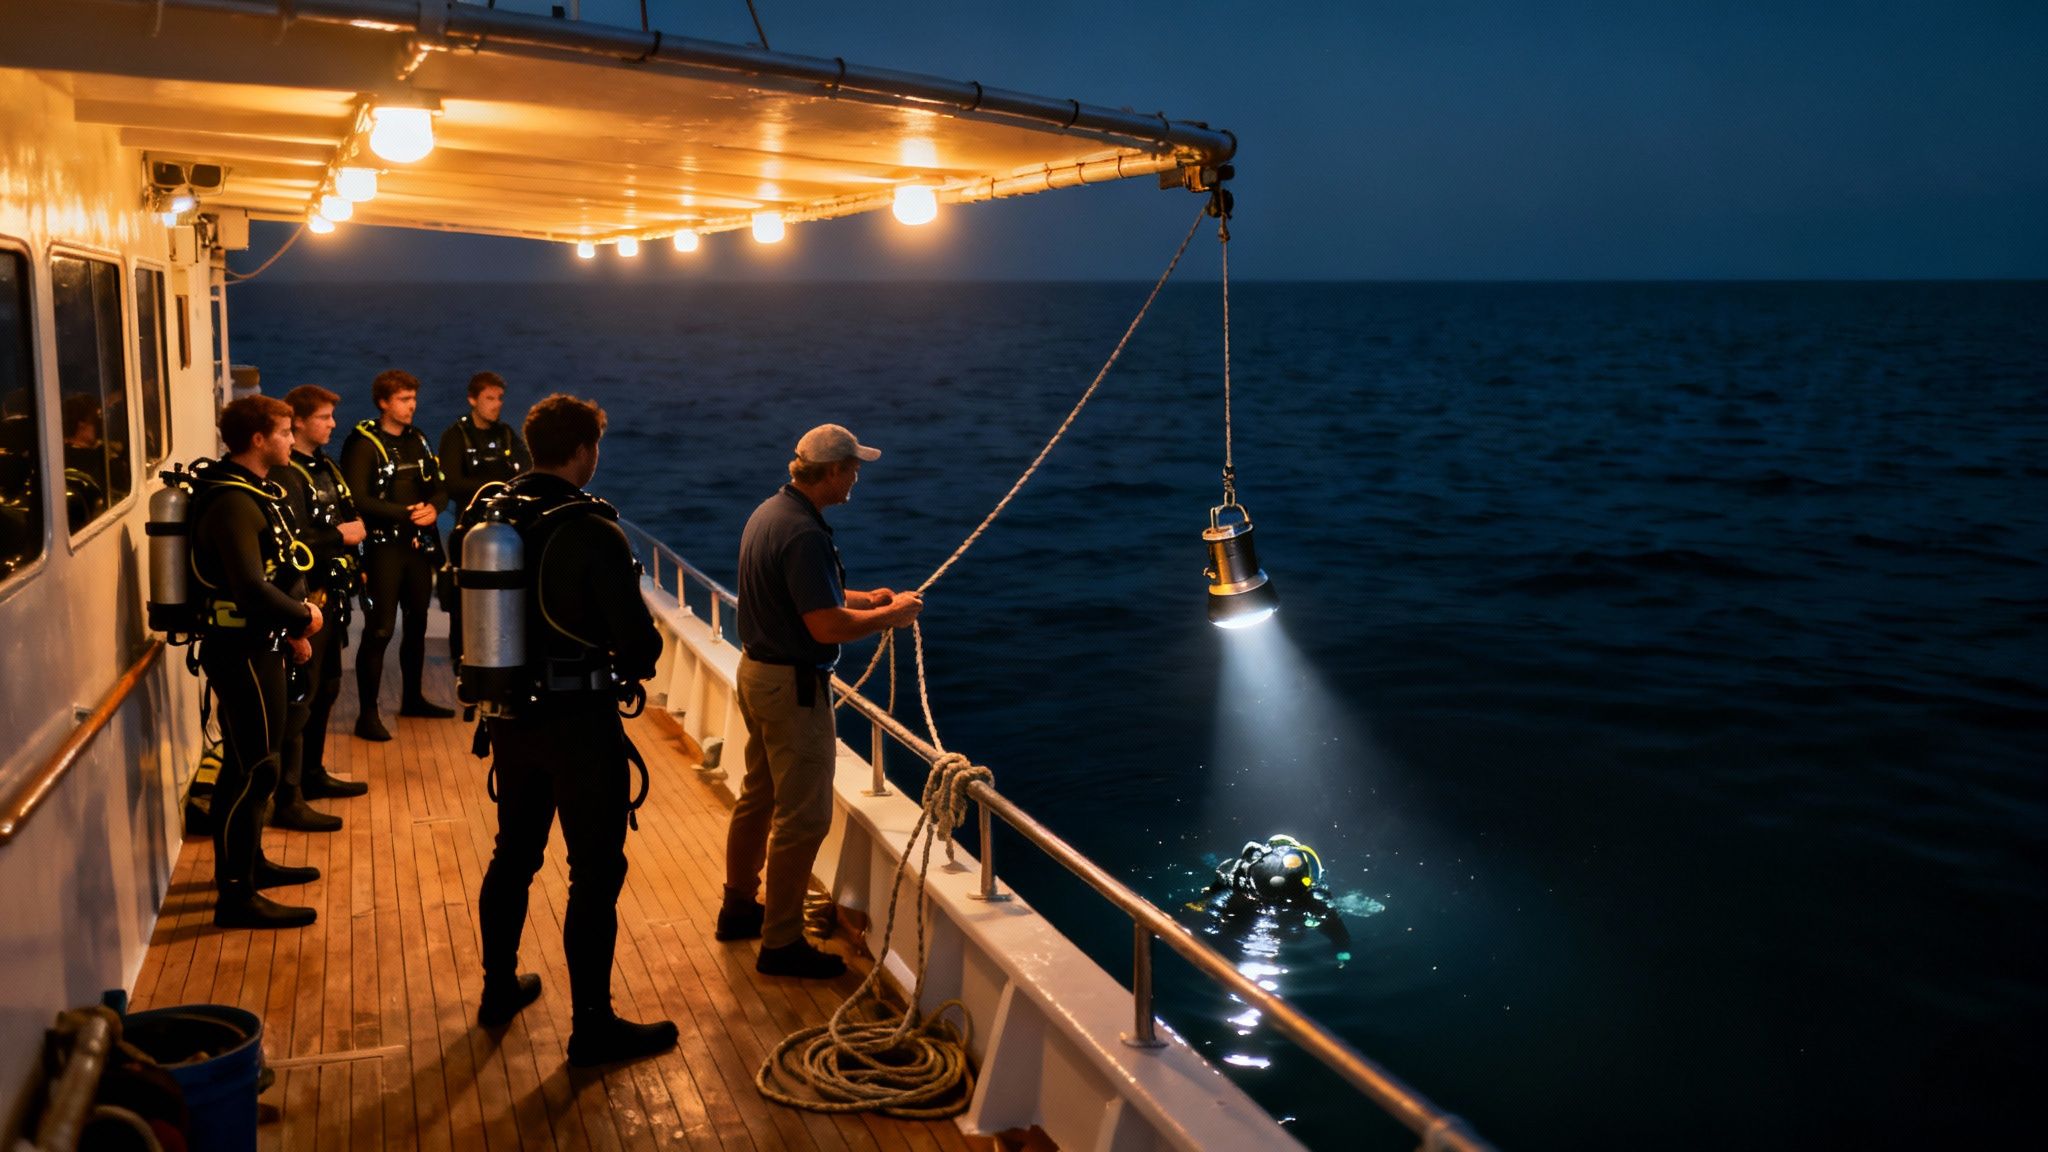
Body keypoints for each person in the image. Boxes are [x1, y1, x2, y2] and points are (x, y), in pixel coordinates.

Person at [471, 393, 677, 1065]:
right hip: (579, 726)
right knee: (594, 871)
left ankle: (498, 990)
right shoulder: (592, 530)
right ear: (585, 450)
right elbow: (640, 649)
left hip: (509, 720)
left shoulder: (492, 516)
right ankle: (592, 1025)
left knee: (514, 856)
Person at [719, 424, 924, 978]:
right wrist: (891, 615)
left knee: (757, 797)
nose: (857, 476)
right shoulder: (806, 534)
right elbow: (826, 625)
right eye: (853, 467)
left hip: (755, 673)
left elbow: (808, 594)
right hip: (792, 688)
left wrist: (868, 596)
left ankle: (738, 906)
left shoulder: (771, 513)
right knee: (803, 817)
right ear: (831, 471)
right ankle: (780, 943)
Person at [189, 395, 325, 929]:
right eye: (286, 431)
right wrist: (303, 619)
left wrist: (288, 628)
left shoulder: (249, 492)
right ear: (258, 440)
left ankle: (251, 864)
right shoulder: (231, 503)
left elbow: (270, 573)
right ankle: (236, 896)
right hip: (241, 651)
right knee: (253, 770)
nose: (293, 440)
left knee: (252, 766)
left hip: (260, 644)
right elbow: (248, 586)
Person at [272, 385, 371, 831]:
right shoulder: (288, 475)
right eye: (325, 417)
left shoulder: (325, 467)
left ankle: (313, 773)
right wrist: (341, 538)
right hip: (307, 600)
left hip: (334, 595)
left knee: (328, 686)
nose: (333, 424)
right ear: (299, 421)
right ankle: (287, 795)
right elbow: (291, 542)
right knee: (302, 697)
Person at [341, 369, 451, 740]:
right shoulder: (362, 443)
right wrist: (406, 513)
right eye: (404, 400)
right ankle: (366, 715)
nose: (412, 406)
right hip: (383, 549)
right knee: (380, 629)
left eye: (413, 399)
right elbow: (357, 498)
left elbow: (439, 488)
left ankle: (413, 699)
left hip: (417, 548)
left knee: (417, 624)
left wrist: (435, 509)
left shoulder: (418, 440)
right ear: (384, 402)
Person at [438, 371, 531, 667]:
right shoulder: (456, 436)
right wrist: (498, 482)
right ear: (472, 399)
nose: (496, 404)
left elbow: (526, 471)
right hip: (468, 528)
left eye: (500, 398)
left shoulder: (505, 435)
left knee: (507, 588)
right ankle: (461, 657)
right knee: (463, 592)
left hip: (507, 530)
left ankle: (504, 650)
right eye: (489, 398)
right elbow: (452, 483)